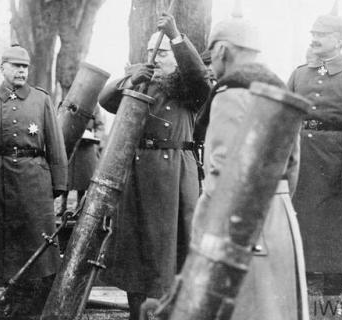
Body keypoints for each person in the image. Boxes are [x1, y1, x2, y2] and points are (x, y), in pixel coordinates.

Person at [192, 12, 308, 320]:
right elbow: (293, 164)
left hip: (237, 228)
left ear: (222, 51)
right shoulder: (279, 91)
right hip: (279, 219)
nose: (212, 67)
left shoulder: (231, 94)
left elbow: (224, 173)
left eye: (212, 57)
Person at [98, 13, 209, 320]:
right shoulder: (142, 84)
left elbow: (200, 78)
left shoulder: (188, 90)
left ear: (175, 58)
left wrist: (175, 37)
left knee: (172, 251)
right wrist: (129, 78)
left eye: (161, 53)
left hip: (174, 174)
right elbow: (105, 100)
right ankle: (137, 312)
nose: (154, 59)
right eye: (150, 53)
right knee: (135, 251)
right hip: (138, 174)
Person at [0, 44, 68, 318]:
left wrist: (59, 181)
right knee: (4, 242)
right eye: (15, 66)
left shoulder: (41, 100)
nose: (21, 71)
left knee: (37, 238)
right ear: (3, 68)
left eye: (25, 67)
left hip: (35, 178)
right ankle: (9, 298)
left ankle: (35, 302)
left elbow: (55, 143)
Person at [288, 6, 342, 295]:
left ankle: (334, 280)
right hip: (302, 159)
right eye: (313, 33)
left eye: (322, 34)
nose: (315, 38)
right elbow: (283, 121)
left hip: (336, 163)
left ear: (340, 40)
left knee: (336, 224)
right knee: (302, 216)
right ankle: (303, 274)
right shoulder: (299, 75)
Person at [57, 105, 105, 215]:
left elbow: (100, 126)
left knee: (83, 178)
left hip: (86, 146)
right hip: (69, 143)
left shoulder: (95, 107)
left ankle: (79, 207)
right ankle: (62, 206)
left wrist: (96, 138)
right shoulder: (67, 102)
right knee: (66, 178)